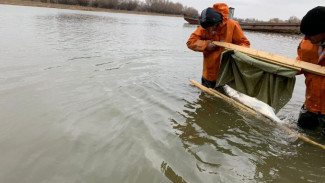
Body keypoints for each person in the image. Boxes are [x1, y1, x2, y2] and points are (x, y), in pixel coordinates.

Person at [186, 3, 250, 88]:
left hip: (227, 74)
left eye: (211, 28)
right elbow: (190, 42)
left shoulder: (232, 25)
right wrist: (206, 45)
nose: (210, 30)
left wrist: (233, 52)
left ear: (217, 22)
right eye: (208, 29)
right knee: (205, 98)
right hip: (209, 73)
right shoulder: (205, 26)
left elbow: (245, 44)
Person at [296, 6, 325, 135]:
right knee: (302, 136)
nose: (306, 38)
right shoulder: (306, 43)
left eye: (311, 34)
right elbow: (300, 64)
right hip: (310, 105)